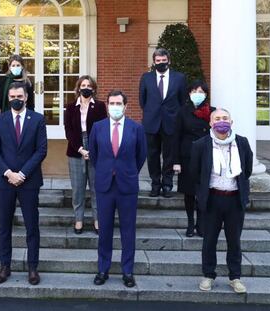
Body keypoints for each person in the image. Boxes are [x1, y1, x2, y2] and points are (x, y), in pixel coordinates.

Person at [0, 81, 47, 285]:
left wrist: (22, 174)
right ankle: (5, 266)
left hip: (29, 182)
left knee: (32, 226)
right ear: (8, 98)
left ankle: (33, 268)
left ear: (26, 97)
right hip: (5, 182)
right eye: (13, 97)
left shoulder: (38, 120)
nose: (16, 100)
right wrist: (8, 173)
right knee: (4, 226)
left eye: (19, 97)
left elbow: (41, 150)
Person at [190, 108, 253, 294]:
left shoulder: (241, 143)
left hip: (234, 200)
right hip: (212, 200)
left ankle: (235, 277)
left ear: (231, 122)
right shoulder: (201, 145)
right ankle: (208, 275)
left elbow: (247, 170)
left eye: (225, 118)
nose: (221, 121)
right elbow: (195, 172)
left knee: (234, 241)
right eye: (217, 118)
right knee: (209, 240)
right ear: (210, 123)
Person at [89, 90, 147, 288]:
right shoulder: (98, 127)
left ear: (125, 106)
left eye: (118, 103)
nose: (115, 106)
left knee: (128, 230)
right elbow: (95, 156)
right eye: (112, 103)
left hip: (127, 185)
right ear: (107, 105)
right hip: (105, 185)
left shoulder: (136, 128)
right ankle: (103, 269)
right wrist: (107, 170)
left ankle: (127, 271)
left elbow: (141, 155)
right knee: (104, 229)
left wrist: (127, 171)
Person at [139, 48, 186, 198]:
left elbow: (182, 99)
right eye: (158, 61)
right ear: (154, 62)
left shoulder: (179, 78)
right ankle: (155, 185)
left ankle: (167, 185)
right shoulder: (146, 78)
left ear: (169, 61)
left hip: (171, 122)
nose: (161, 63)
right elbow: (142, 100)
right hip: (151, 122)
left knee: (169, 156)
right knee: (152, 155)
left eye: (163, 60)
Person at [64, 75, 107, 235]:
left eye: (89, 85)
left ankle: (97, 220)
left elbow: (103, 129)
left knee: (96, 188)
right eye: (83, 85)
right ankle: (79, 220)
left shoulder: (101, 106)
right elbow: (69, 131)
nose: (86, 88)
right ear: (78, 88)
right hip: (75, 150)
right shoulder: (70, 107)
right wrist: (81, 149)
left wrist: (93, 150)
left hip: (96, 149)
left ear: (93, 88)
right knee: (78, 189)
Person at [173, 80, 215, 237]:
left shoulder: (212, 111)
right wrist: (175, 161)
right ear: (189, 93)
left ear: (206, 94)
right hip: (187, 157)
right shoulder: (182, 112)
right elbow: (176, 137)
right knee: (189, 193)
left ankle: (201, 223)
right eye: (194, 91)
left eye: (201, 92)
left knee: (203, 191)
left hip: (206, 156)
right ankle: (191, 223)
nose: (198, 94)